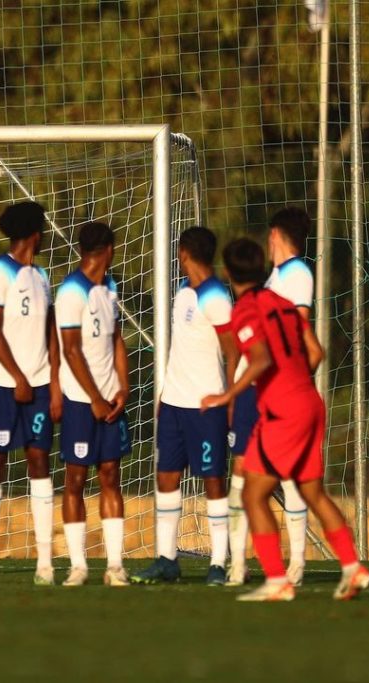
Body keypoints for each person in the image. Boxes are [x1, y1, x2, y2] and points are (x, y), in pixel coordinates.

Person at [201, 238, 369, 601]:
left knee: (252, 494)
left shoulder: (246, 311)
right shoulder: (284, 305)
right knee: (312, 491)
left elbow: (260, 359)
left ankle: (277, 580)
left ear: (228, 273)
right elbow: (316, 351)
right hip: (310, 402)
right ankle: (353, 567)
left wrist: (227, 395)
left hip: (283, 412)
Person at [131, 227, 238, 586]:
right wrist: (164, 392)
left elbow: (232, 351)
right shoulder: (182, 292)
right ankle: (166, 559)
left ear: (185, 253)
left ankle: (219, 563)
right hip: (174, 403)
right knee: (166, 477)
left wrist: (229, 397)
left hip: (205, 405)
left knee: (212, 480)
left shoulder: (216, 297)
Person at [0, 201, 62, 587]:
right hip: (3, 385)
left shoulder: (42, 276)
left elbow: (51, 334)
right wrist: (18, 376)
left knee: (39, 464)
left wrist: (54, 383)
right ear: (35, 233)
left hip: (39, 387)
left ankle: (44, 564)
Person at [227, 207, 315, 587]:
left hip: (276, 390)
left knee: (288, 473)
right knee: (242, 470)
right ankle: (236, 562)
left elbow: (299, 334)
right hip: (252, 389)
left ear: (276, 234)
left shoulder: (297, 274)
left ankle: (296, 562)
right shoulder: (275, 276)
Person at [55, 221, 131, 587]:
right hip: (81, 403)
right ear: (109, 250)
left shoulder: (110, 288)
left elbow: (117, 339)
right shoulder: (71, 291)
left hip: (110, 401)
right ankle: (78, 565)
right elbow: (69, 349)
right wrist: (95, 398)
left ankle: (115, 566)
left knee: (111, 475)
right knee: (75, 479)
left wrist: (123, 387)